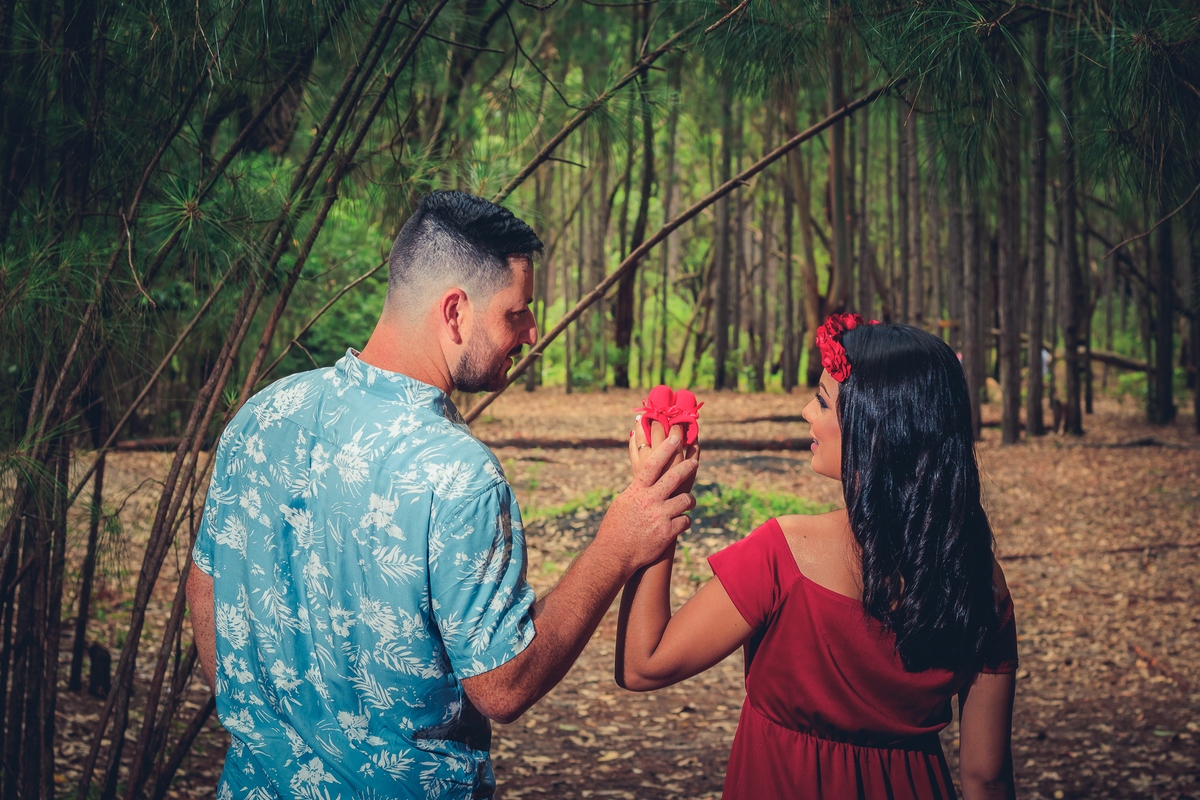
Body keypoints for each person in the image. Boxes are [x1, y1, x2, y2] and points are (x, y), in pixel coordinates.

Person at [186, 190, 698, 800]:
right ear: (455, 311)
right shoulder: (460, 476)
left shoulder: (263, 414)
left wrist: (269, 732)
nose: (532, 333)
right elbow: (503, 687)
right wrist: (615, 547)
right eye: (516, 314)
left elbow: (204, 586)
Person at [615, 315, 1018, 800]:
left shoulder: (785, 554)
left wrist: (658, 502)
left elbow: (644, 664)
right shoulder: (981, 580)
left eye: (824, 401)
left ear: (875, 428)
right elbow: (986, 776)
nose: (807, 410)